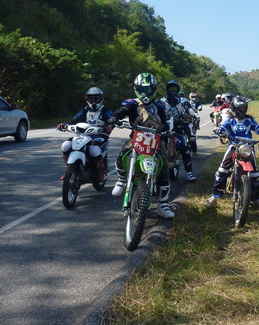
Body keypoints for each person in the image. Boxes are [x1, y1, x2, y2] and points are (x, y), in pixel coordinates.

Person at [109, 73, 174, 218]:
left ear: (154, 89)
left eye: (148, 90)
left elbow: (164, 122)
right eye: (142, 89)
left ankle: (163, 206)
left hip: (156, 140)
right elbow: (122, 111)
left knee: (164, 169)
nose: (145, 93)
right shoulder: (131, 103)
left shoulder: (160, 105)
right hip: (136, 139)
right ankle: (122, 179)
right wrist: (114, 118)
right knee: (122, 155)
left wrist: (167, 132)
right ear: (136, 89)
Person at [205, 96, 259, 208]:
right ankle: (214, 196)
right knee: (222, 170)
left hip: (247, 147)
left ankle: (256, 198)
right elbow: (223, 126)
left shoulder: (249, 120)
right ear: (234, 108)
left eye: (243, 108)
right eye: (239, 108)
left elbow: (258, 128)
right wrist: (219, 129)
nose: (242, 110)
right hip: (233, 146)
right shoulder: (230, 120)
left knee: (255, 174)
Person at [56, 87, 113, 181]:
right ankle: (69, 169)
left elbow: (112, 121)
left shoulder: (106, 110)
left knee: (94, 151)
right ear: (87, 99)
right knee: (65, 146)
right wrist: (64, 124)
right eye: (91, 98)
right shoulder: (84, 110)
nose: (93, 101)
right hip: (83, 135)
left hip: (100, 135)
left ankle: (100, 170)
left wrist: (109, 126)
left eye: (96, 98)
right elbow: (74, 120)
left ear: (101, 99)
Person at [160, 80, 197, 182]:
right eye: (170, 88)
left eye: (174, 88)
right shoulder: (161, 102)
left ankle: (189, 173)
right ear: (167, 89)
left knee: (185, 149)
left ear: (178, 90)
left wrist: (188, 114)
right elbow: (156, 112)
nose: (172, 91)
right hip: (164, 128)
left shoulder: (183, 101)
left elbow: (188, 113)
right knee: (158, 148)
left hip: (178, 127)